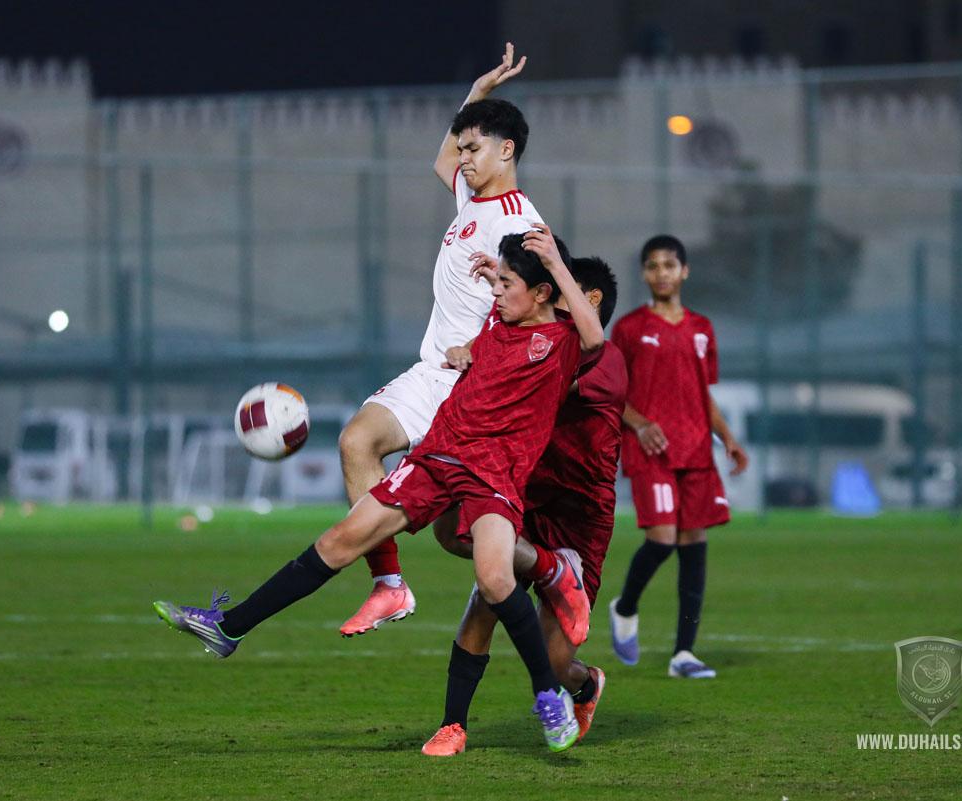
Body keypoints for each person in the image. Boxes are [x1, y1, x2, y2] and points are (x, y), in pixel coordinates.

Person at [154, 226, 603, 753]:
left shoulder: (563, 340)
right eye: (497, 283)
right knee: (341, 539)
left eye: (507, 285)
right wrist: (470, 336)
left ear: (544, 292)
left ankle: (548, 696)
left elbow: (595, 337)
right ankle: (229, 627)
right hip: (438, 455)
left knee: (495, 577)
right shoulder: (497, 318)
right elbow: (489, 341)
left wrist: (555, 264)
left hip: (494, 477)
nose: (497, 292)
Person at [336, 43, 544, 637]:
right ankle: (389, 585)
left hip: (475, 387)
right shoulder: (471, 199)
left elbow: (540, 308)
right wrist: (477, 95)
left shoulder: (520, 222)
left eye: (475, 148)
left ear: (507, 151)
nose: (462, 157)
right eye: (464, 147)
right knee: (357, 442)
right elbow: (442, 160)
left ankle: (552, 569)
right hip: (433, 373)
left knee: (458, 535)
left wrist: (483, 346)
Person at [421, 256, 625, 757]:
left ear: (589, 299)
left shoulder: (602, 359)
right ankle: (452, 725)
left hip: (578, 522)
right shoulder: (536, 339)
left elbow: (538, 374)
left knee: (553, 665)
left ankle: (584, 684)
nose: (546, 293)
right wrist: (471, 346)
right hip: (524, 495)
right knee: (485, 594)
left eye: (556, 285)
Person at [606, 235, 748, 679]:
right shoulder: (629, 329)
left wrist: (727, 437)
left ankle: (683, 654)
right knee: (662, 540)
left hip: (696, 449)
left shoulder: (702, 328)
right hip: (651, 450)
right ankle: (625, 606)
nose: (661, 273)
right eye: (652, 266)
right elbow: (611, 392)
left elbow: (703, 393)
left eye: (669, 265)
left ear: (684, 271)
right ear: (644, 273)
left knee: (694, 548)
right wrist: (640, 424)